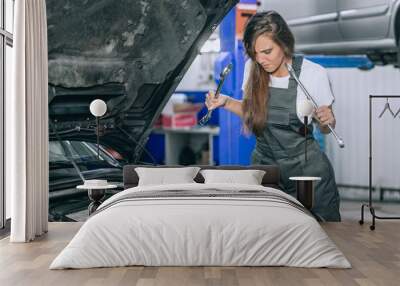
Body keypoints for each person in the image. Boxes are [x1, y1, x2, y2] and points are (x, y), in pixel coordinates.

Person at [205, 11, 340, 221]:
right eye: (255, 53)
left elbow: (325, 127)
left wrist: (327, 120)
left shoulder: (313, 74)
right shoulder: (253, 68)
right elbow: (255, 113)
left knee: (322, 234)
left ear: (284, 44)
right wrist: (226, 102)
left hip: (306, 172)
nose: (261, 60)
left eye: (267, 51)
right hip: (266, 170)